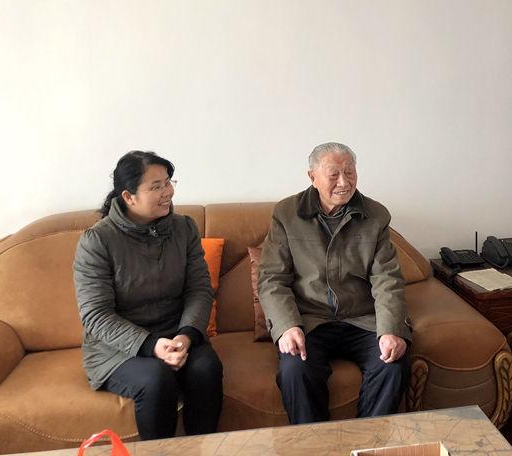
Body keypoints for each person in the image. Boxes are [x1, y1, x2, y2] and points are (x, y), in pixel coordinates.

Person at [257, 142, 411, 424]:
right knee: (295, 370)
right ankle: (315, 444)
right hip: (310, 320)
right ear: (312, 177)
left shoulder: (375, 215)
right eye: (334, 174)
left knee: (392, 365)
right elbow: (272, 278)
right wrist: (287, 326)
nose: (344, 182)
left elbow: (387, 279)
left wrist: (390, 330)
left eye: (350, 172)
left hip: (362, 319)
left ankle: (367, 442)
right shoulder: (287, 214)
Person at [73, 150, 223, 440]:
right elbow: (96, 315)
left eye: (168, 182)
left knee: (206, 368)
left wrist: (186, 335)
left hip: (176, 334)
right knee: (156, 379)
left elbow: (199, 289)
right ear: (128, 197)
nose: (167, 192)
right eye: (156, 187)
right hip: (118, 347)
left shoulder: (184, 228)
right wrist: (150, 345)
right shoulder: (98, 241)